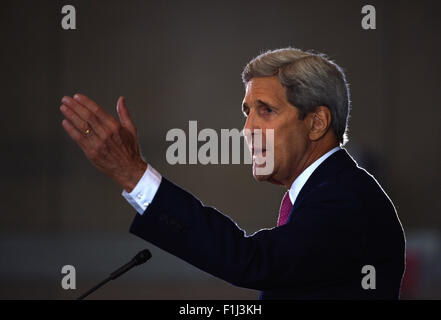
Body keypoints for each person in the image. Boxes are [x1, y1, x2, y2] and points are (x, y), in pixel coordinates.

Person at [60, 48, 405, 299]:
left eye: (266, 110)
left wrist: (134, 173)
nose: (247, 128)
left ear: (316, 122)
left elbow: (252, 261)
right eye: (247, 112)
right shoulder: (323, 193)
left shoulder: (347, 197)